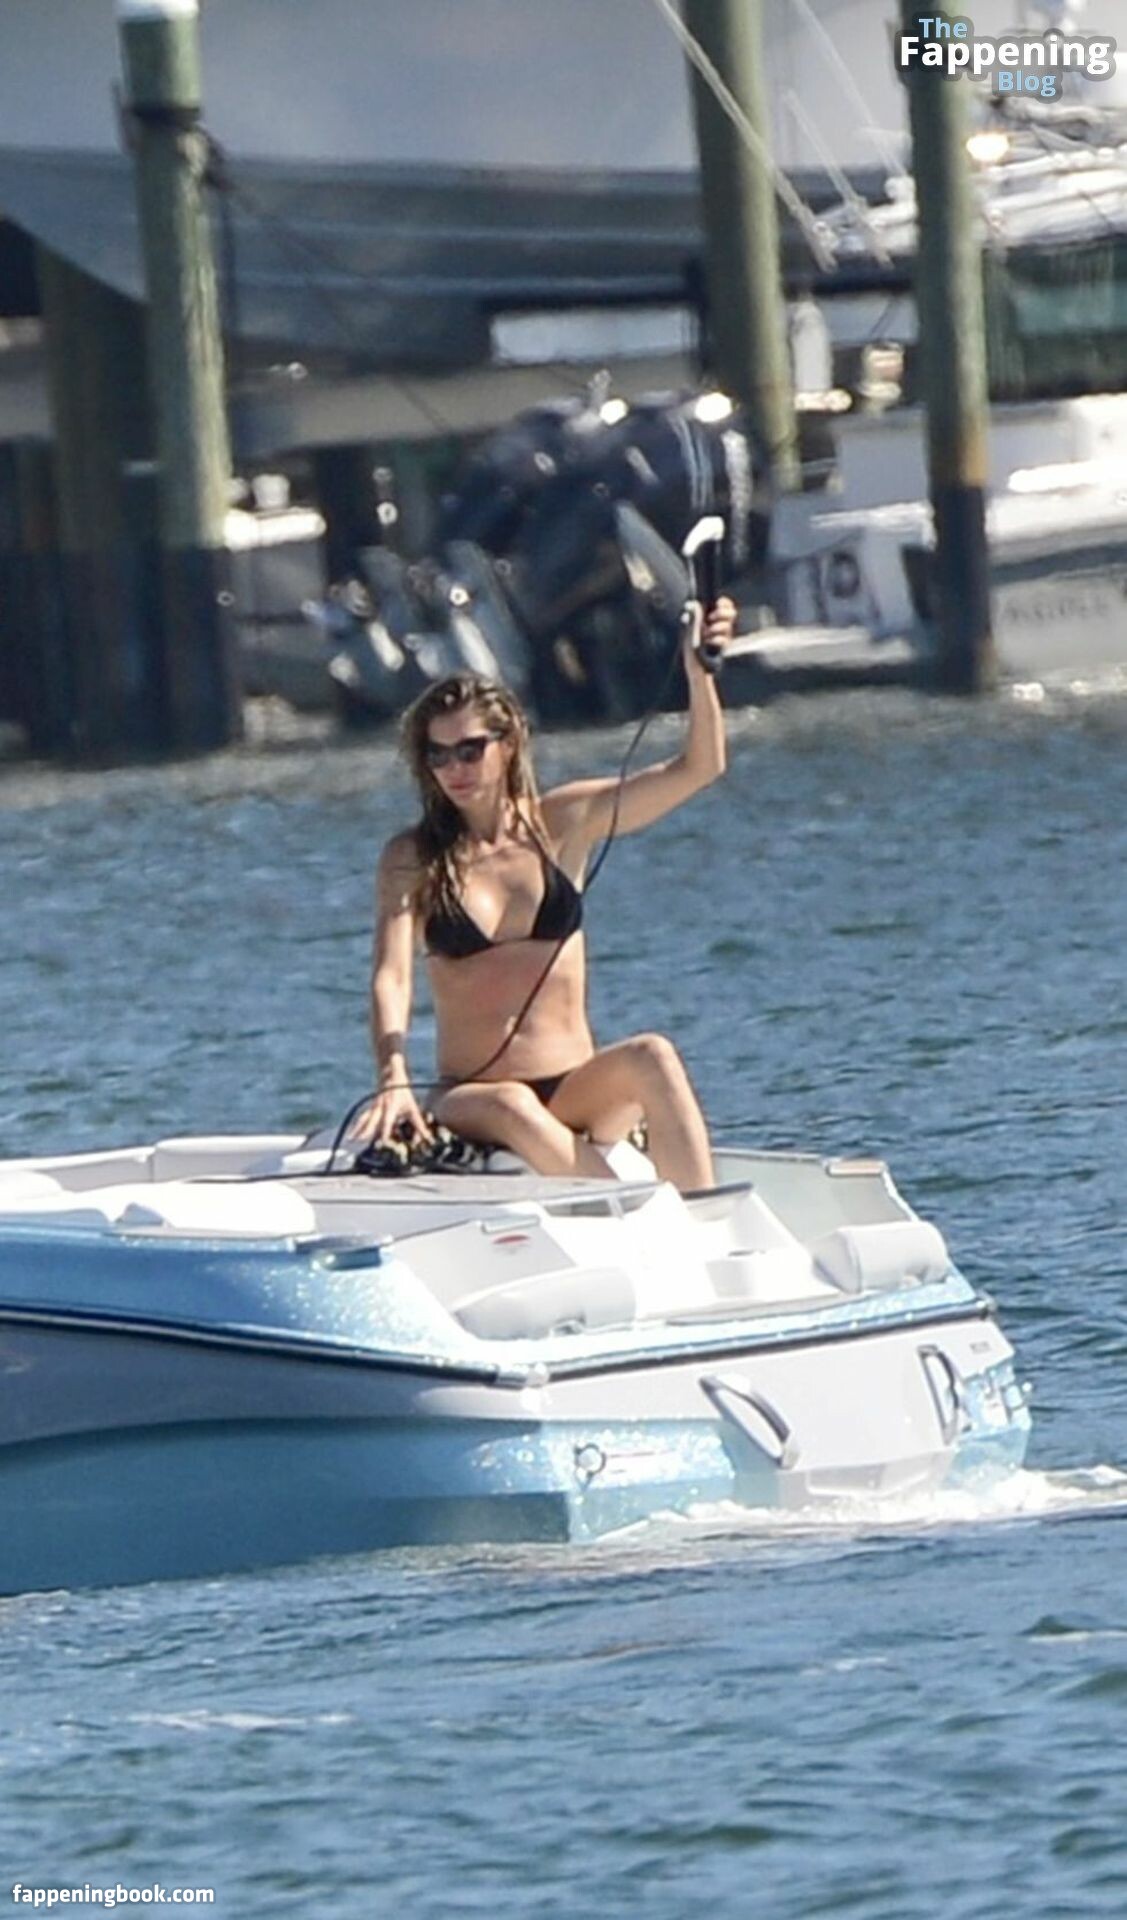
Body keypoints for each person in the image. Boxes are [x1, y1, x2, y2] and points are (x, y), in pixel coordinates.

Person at [352, 596, 737, 1192]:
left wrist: (698, 672)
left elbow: (699, 768)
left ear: (507, 744)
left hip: (575, 1087)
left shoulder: (564, 821)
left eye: (470, 750)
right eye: (438, 755)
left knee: (654, 1056)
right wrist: (393, 1075)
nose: (455, 768)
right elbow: (392, 976)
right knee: (511, 1103)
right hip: (474, 1097)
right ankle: (637, 1212)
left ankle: (704, 1217)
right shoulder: (413, 857)